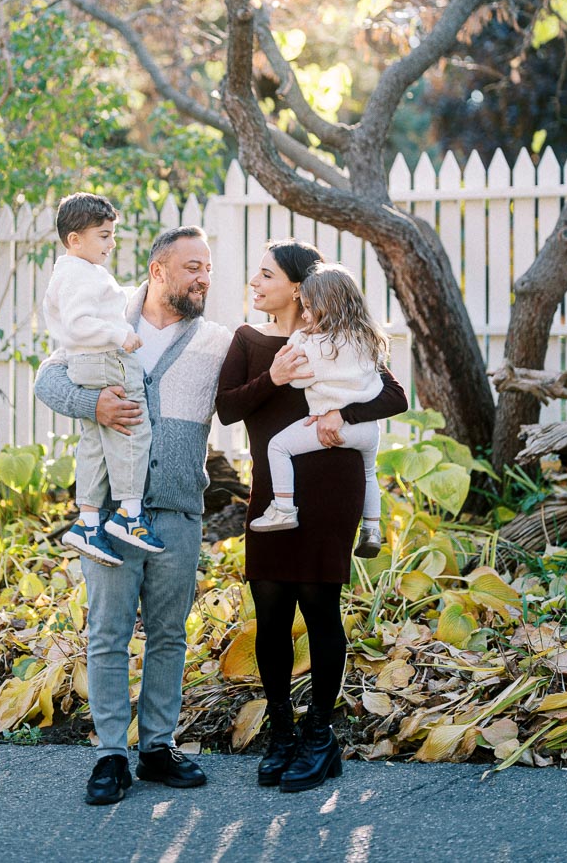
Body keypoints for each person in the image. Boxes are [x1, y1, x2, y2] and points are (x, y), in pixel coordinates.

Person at [34, 225, 232, 806]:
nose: (203, 278)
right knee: (109, 635)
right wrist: (90, 402)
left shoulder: (216, 341)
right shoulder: (103, 314)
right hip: (111, 516)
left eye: (208, 268)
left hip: (176, 510)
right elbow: (47, 377)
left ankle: (157, 748)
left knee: (169, 635)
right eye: (192, 266)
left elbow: (251, 393)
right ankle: (110, 755)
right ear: (158, 271)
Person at [216, 239, 408, 793]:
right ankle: (281, 731)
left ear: (298, 288)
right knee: (270, 608)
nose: (255, 281)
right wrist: (272, 378)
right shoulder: (249, 341)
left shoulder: (342, 339)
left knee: (320, 604)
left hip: (330, 485)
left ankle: (319, 735)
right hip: (274, 487)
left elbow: (391, 394)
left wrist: (339, 413)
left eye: (266, 273)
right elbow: (228, 408)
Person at [42, 192, 164, 566]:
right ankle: (129, 512)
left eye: (112, 235)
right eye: (104, 236)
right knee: (132, 425)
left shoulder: (72, 271)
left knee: (94, 440)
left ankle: (88, 521)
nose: (111, 244)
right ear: (74, 239)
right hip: (104, 359)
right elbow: (79, 323)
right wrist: (119, 335)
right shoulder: (80, 272)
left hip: (87, 362)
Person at [249, 262, 386, 558]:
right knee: (369, 472)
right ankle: (372, 527)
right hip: (367, 429)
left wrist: (296, 342)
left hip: (333, 425)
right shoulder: (366, 337)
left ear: (328, 306)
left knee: (278, 446)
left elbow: (299, 382)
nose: (306, 315)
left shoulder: (317, 345)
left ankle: (283, 508)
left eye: (310, 308)